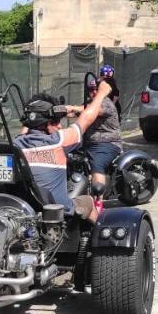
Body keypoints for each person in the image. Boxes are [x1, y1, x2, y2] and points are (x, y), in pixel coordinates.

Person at [14, 80, 113, 222]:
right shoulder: (58, 141)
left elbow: (26, 128)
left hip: (25, 208)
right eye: (55, 122)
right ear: (46, 124)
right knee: (88, 202)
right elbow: (87, 118)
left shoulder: (16, 144)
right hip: (55, 211)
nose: (60, 126)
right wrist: (102, 93)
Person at [84, 65, 123, 196]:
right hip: (91, 142)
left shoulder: (106, 102)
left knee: (97, 163)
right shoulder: (91, 102)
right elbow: (83, 110)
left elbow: (94, 111)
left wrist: (74, 109)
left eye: (96, 89)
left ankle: (98, 200)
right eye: (91, 90)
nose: (93, 92)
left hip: (108, 142)